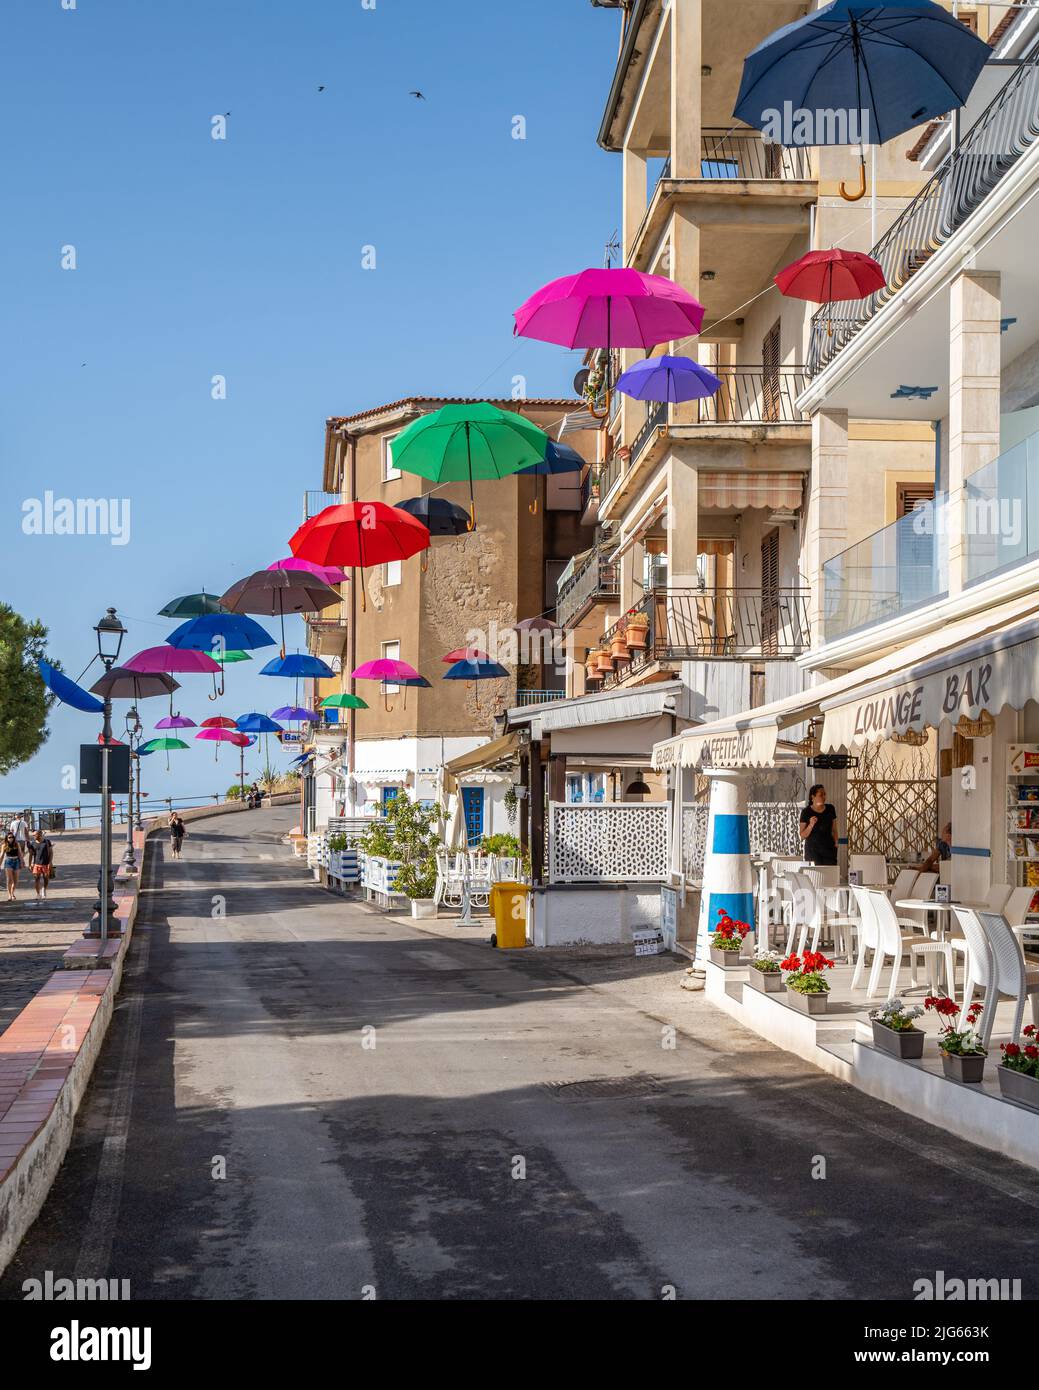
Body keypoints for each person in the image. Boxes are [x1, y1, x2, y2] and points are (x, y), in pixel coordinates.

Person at [799, 784, 839, 867]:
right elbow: (802, 836)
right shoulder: (806, 812)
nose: (824, 797)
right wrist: (811, 824)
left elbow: (834, 829)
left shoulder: (830, 808)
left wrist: (836, 842)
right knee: (816, 876)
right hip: (813, 851)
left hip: (829, 849)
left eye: (824, 794)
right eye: (821, 795)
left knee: (829, 875)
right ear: (812, 797)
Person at [27, 829, 54, 902]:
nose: (33, 836)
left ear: (39, 834)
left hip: (46, 863)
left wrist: (50, 862)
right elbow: (30, 855)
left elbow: (51, 852)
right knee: (36, 879)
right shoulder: (32, 843)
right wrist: (29, 864)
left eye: (34, 835)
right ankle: (38, 894)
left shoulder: (47, 842)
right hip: (37, 864)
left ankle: (44, 889)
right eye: (33, 835)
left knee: (46, 878)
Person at [3, 831, 23, 902]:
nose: (11, 838)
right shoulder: (4, 845)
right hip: (8, 862)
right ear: (7, 838)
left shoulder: (17, 844)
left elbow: (20, 854)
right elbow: (1, 855)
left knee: (15, 881)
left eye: (12, 837)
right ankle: (9, 894)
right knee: (9, 880)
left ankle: (12, 893)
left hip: (16, 861)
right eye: (9, 837)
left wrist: (22, 862)